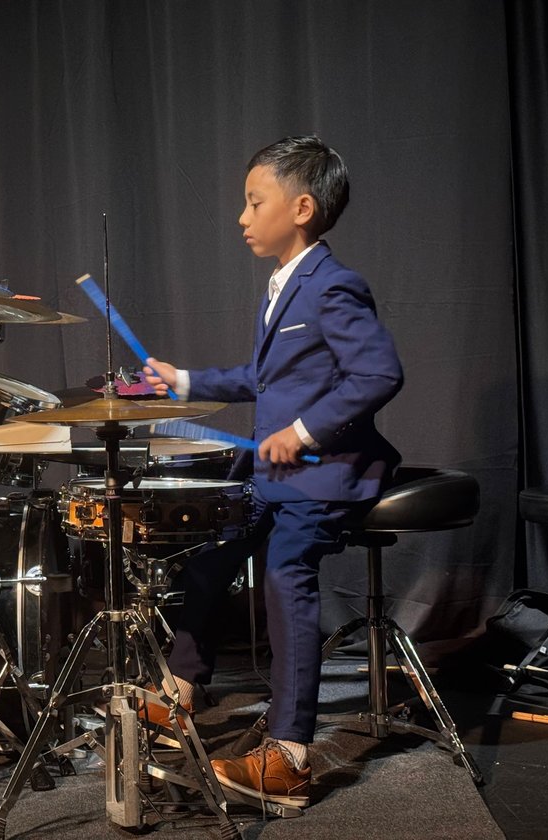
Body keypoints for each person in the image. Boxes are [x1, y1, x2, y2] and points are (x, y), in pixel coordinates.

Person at [142, 135, 404, 809]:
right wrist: (183, 380)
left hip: (326, 472)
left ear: (303, 208)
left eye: (254, 202)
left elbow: (378, 373)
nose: (242, 215)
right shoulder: (282, 289)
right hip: (273, 476)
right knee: (208, 553)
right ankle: (179, 693)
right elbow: (263, 378)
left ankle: (289, 755)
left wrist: (302, 431)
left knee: (286, 574)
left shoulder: (333, 284)